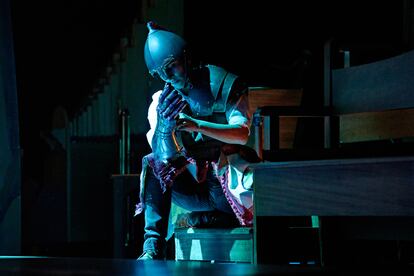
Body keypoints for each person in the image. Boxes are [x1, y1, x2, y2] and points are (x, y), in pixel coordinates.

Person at [135, 21, 258, 260]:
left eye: (172, 67)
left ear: (186, 58)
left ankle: (215, 218)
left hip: (229, 185)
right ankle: (152, 246)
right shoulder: (163, 100)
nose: (169, 78)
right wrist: (164, 128)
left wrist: (196, 125)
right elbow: (165, 159)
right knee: (152, 163)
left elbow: (242, 133)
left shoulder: (222, 82)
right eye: (162, 74)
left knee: (220, 170)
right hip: (195, 190)